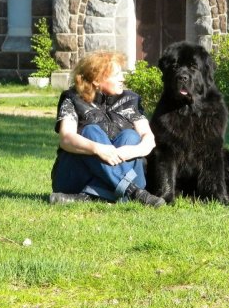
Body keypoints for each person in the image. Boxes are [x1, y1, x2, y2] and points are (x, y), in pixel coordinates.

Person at [49, 51, 165, 207]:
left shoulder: (131, 100)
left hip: (126, 172)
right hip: (75, 178)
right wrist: (97, 149)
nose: (122, 78)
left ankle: (89, 196)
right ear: (97, 80)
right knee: (91, 132)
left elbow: (148, 139)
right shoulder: (73, 98)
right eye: (116, 74)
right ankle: (133, 192)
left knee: (131, 136)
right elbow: (66, 138)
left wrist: (130, 151)